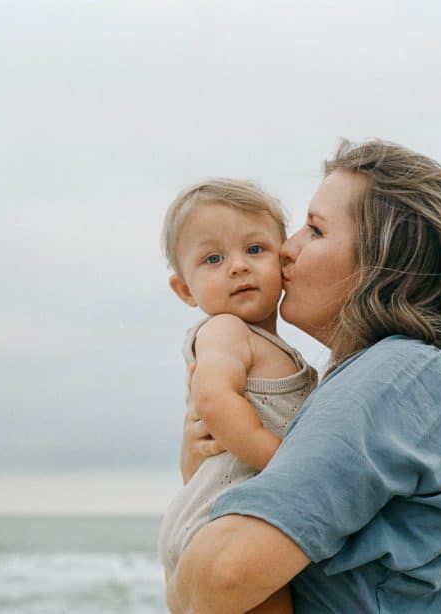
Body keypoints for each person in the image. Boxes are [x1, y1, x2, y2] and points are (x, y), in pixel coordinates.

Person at [167, 140, 441, 613]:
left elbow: (222, 576)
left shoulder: (404, 374)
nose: (287, 249)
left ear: (381, 261)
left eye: (315, 230)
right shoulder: (408, 380)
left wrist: (183, 578)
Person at [157, 179, 318, 614]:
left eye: (255, 249)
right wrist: (285, 465)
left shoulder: (273, 348)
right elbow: (214, 402)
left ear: (283, 259)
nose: (238, 267)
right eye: (213, 258)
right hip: (219, 518)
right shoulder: (224, 331)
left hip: (233, 512)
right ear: (185, 290)